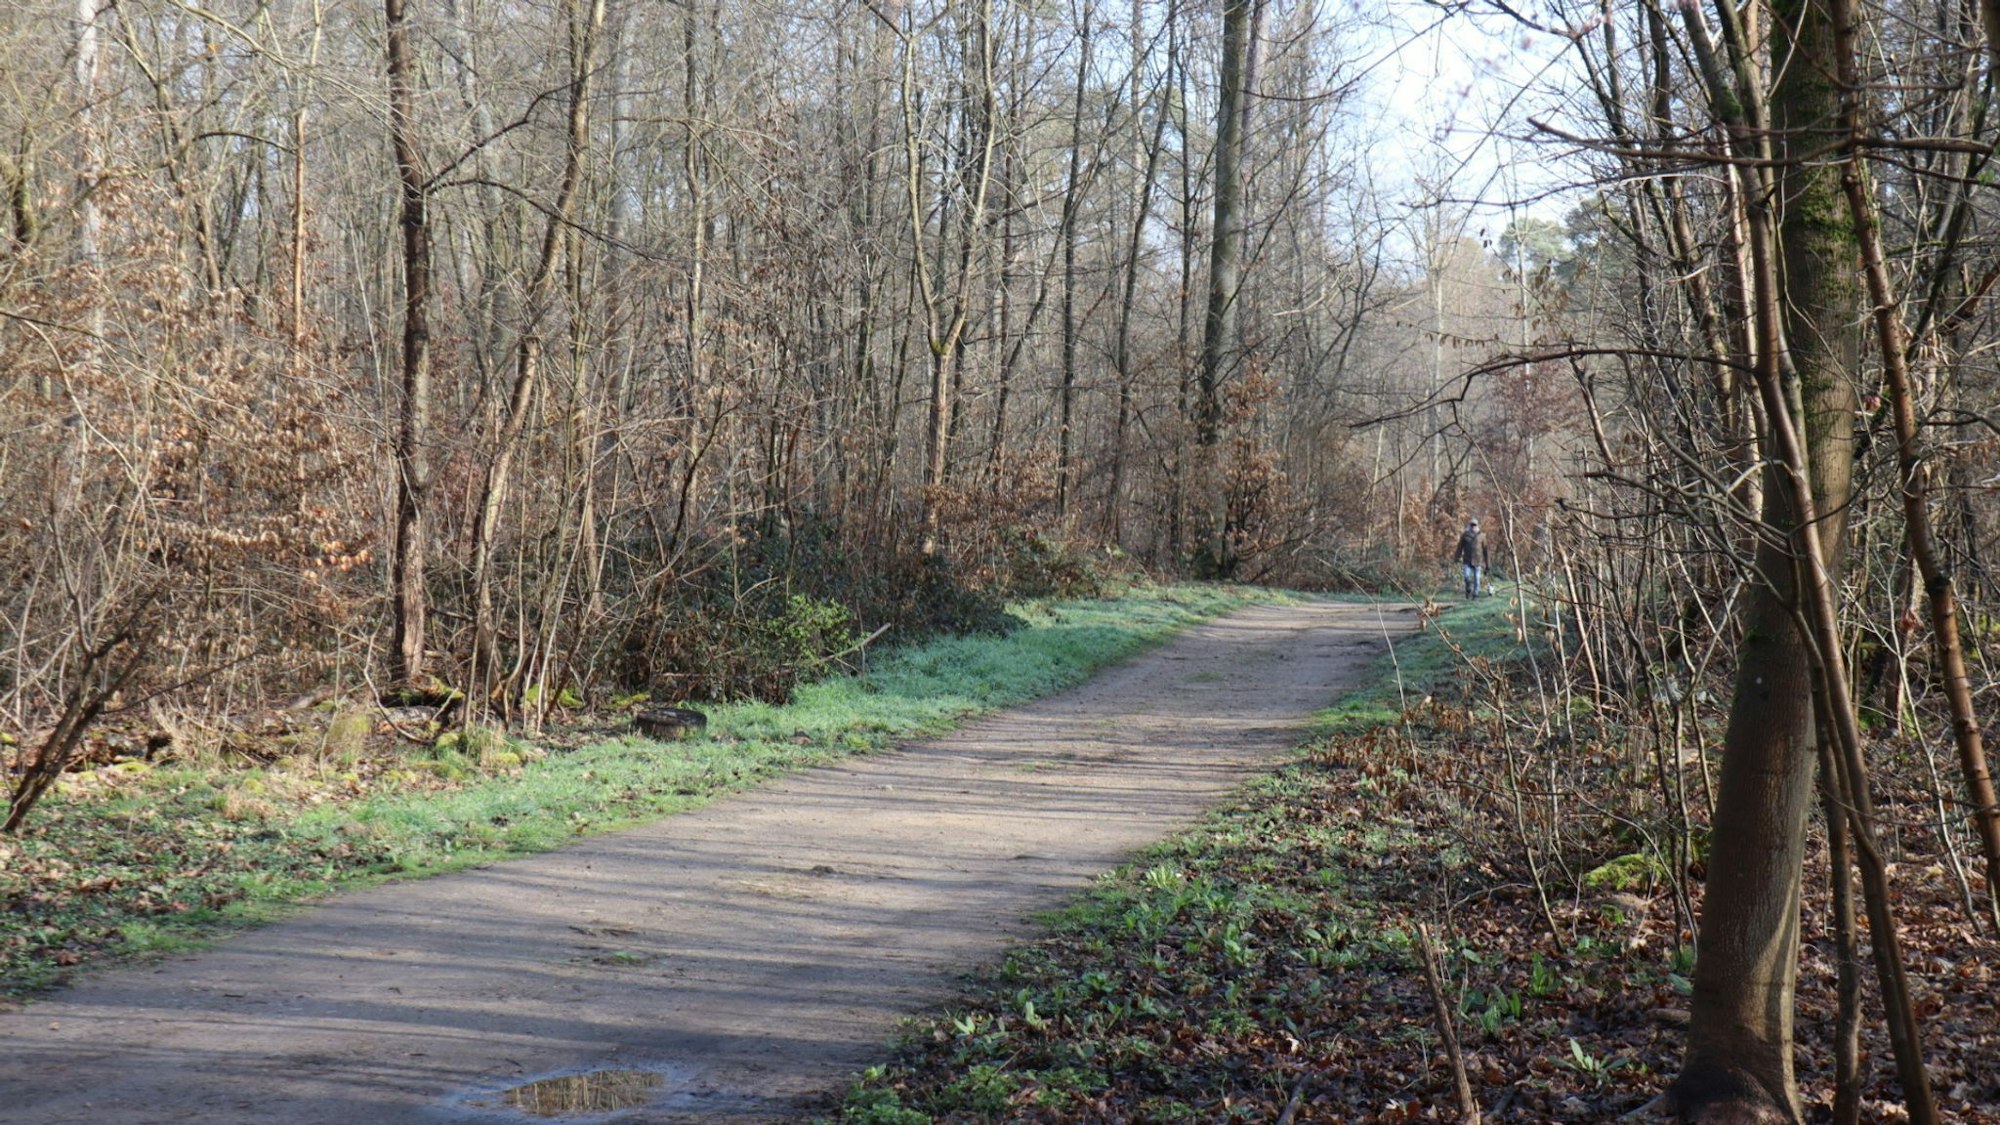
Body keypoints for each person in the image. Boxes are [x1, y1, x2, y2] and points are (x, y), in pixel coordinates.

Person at [1453, 518, 1490, 598]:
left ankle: (1476, 594)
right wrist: (1456, 558)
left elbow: (1485, 551)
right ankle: (1468, 588)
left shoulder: (1482, 536)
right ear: (1470, 526)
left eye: (1475, 525)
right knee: (1466, 577)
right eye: (1472, 525)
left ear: (1477, 526)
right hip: (1467, 560)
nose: (1473, 527)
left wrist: (1488, 565)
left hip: (1478, 561)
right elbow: (1460, 548)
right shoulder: (1465, 535)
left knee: (1477, 579)